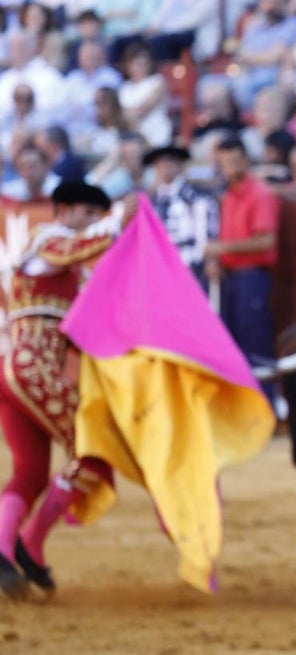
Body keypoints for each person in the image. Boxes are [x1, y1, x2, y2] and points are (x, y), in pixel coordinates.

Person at [0, 182, 137, 599]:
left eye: (97, 214)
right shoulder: (48, 238)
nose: (91, 222)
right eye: (86, 213)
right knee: (95, 452)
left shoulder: (68, 275)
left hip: (15, 371)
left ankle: (6, 550)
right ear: (63, 210)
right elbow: (72, 249)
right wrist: (117, 219)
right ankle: (31, 544)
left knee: (30, 470)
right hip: (33, 368)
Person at [203, 138, 280, 403]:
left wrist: (221, 249)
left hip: (252, 277)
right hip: (232, 277)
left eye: (235, 160)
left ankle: (266, 406)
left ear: (247, 161)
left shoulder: (259, 193)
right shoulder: (229, 195)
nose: (230, 167)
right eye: (225, 162)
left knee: (255, 344)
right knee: (234, 342)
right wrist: (218, 259)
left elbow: (266, 240)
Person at [147, 145, 220, 287]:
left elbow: (209, 231)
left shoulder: (197, 196)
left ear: (180, 166)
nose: (165, 166)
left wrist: (209, 259)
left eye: (170, 161)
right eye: (160, 163)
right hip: (159, 267)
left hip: (192, 265)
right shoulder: (150, 202)